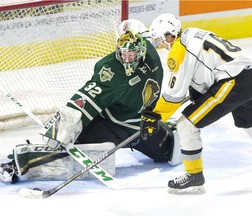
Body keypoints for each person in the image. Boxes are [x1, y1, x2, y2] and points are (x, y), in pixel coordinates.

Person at [0, 19, 181, 184]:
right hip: (114, 124)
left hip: (142, 125)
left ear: (142, 47)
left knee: (170, 151)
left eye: (132, 54)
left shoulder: (152, 52)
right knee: (71, 145)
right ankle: (20, 163)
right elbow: (86, 98)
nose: (126, 59)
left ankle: (166, 130)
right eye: (123, 53)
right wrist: (64, 126)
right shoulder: (110, 70)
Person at [140, 13, 252, 194]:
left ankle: (194, 176)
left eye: (160, 40)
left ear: (169, 35)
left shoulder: (179, 49)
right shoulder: (192, 33)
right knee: (250, 121)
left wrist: (154, 116)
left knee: (186, 124)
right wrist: (198, 91)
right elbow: (206, 66)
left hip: (233, 82)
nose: (161, 44)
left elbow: (175, 94)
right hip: (249, 75)